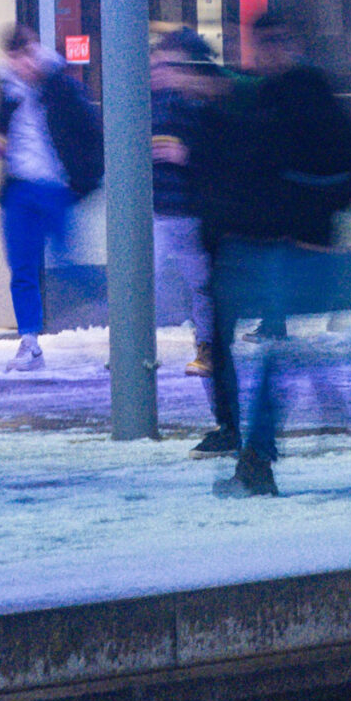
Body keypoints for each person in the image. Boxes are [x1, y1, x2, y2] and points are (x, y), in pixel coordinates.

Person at [208, 2, 351, 497]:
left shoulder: (310, 98)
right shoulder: (268, 98)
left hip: (310, 244)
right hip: (283, 244)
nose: (266, 54)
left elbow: (342, 173)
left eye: (273, 44)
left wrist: (302, 216)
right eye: (261, 45)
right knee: (322, 352)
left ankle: (260, 461)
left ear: (291, 46)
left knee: (296, 356)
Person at [0, 23, 102, 373]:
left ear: (37, 51)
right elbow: (5, 135)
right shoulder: (7, 92)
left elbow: (91, 132)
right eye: (17, 58)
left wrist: (84, 182)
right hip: (18, 189)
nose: (25, 64)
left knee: (69, 260)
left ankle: (115, 318)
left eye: (29, 54)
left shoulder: (61, 86)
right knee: (22, 267)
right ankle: (29, 342)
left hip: (55, 186)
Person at [150, 27, 237, 452]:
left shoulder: (212, 105)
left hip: (203, 222)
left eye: (165, 66)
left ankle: (234, 427)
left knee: (213, 321)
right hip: (179, 217)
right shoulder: (162, 103)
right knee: (211, 324)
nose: (157, 74)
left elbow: (227, 162)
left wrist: (186, 156)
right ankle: (229, 425)